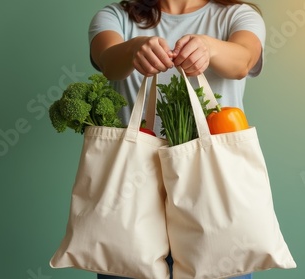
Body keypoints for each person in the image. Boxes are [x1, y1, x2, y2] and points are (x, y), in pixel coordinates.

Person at [88, 0, 266, 278]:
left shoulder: (237, 15)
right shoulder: (115, 16)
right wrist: (135, 48)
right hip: (132, 196)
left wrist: (210, 47)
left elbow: (243, 61)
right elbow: (108, 62)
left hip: (213, 195)